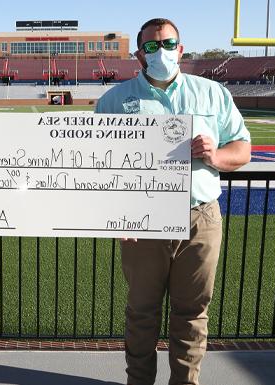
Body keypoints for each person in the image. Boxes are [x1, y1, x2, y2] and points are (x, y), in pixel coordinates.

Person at [95, 18, 251, 385]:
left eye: (167, 44)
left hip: (200, 218)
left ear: (180, 49)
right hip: (142, 222)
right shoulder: (114, 100)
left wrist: (215, 156)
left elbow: (242, 149)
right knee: (141, 312)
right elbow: (98, 167)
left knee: (192, 312)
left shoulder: (212, 93)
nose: (160, 51)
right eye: (151, 46)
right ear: (139, 55)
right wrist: (117, 217)